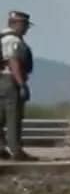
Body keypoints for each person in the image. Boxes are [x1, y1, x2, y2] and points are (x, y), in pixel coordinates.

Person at [0, 10, 37, 161]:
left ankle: (1, 148)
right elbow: (13, 61)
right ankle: (16, 151)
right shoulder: (13, 40)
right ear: (16, 24)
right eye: (25, 25)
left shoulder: (2, 38)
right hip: (10, 81)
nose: (27, 28)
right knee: (13, 116)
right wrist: (22, 84)